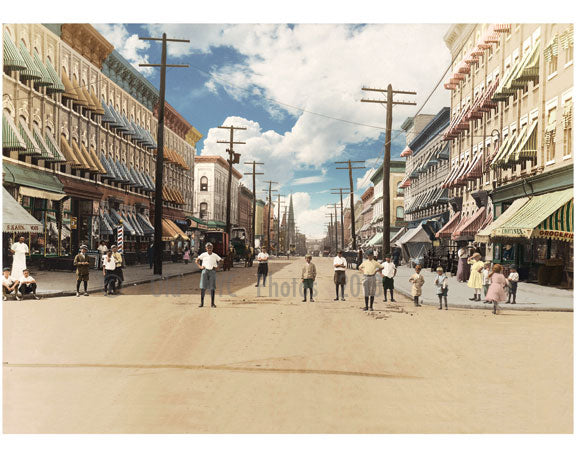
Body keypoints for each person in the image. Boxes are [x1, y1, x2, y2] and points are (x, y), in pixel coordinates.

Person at [196, 242, 222, 308]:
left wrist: (218, 267)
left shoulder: (215, 255)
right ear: (206, 248)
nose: (209, 249)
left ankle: (212, 304)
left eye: (210, 248)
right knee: (203, 287)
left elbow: (221, 260)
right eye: (208, 248)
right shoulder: (203, 254)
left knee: (212, 287)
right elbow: (197, 260)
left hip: (212, 271)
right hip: (205, 271)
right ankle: (202, 303)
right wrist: (200, 267)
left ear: (212, 248)